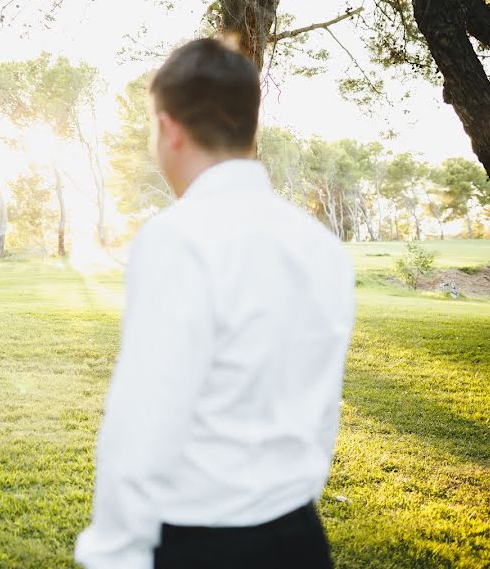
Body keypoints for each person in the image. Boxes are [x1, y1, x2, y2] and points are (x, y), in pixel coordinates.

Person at [74, 38, 356, 568]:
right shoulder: (320, 245)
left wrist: (113, 554)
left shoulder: (177, 238)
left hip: (205, 544)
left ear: (170, 129)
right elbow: (322, 408)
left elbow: (145, 421)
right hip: (300, 538)